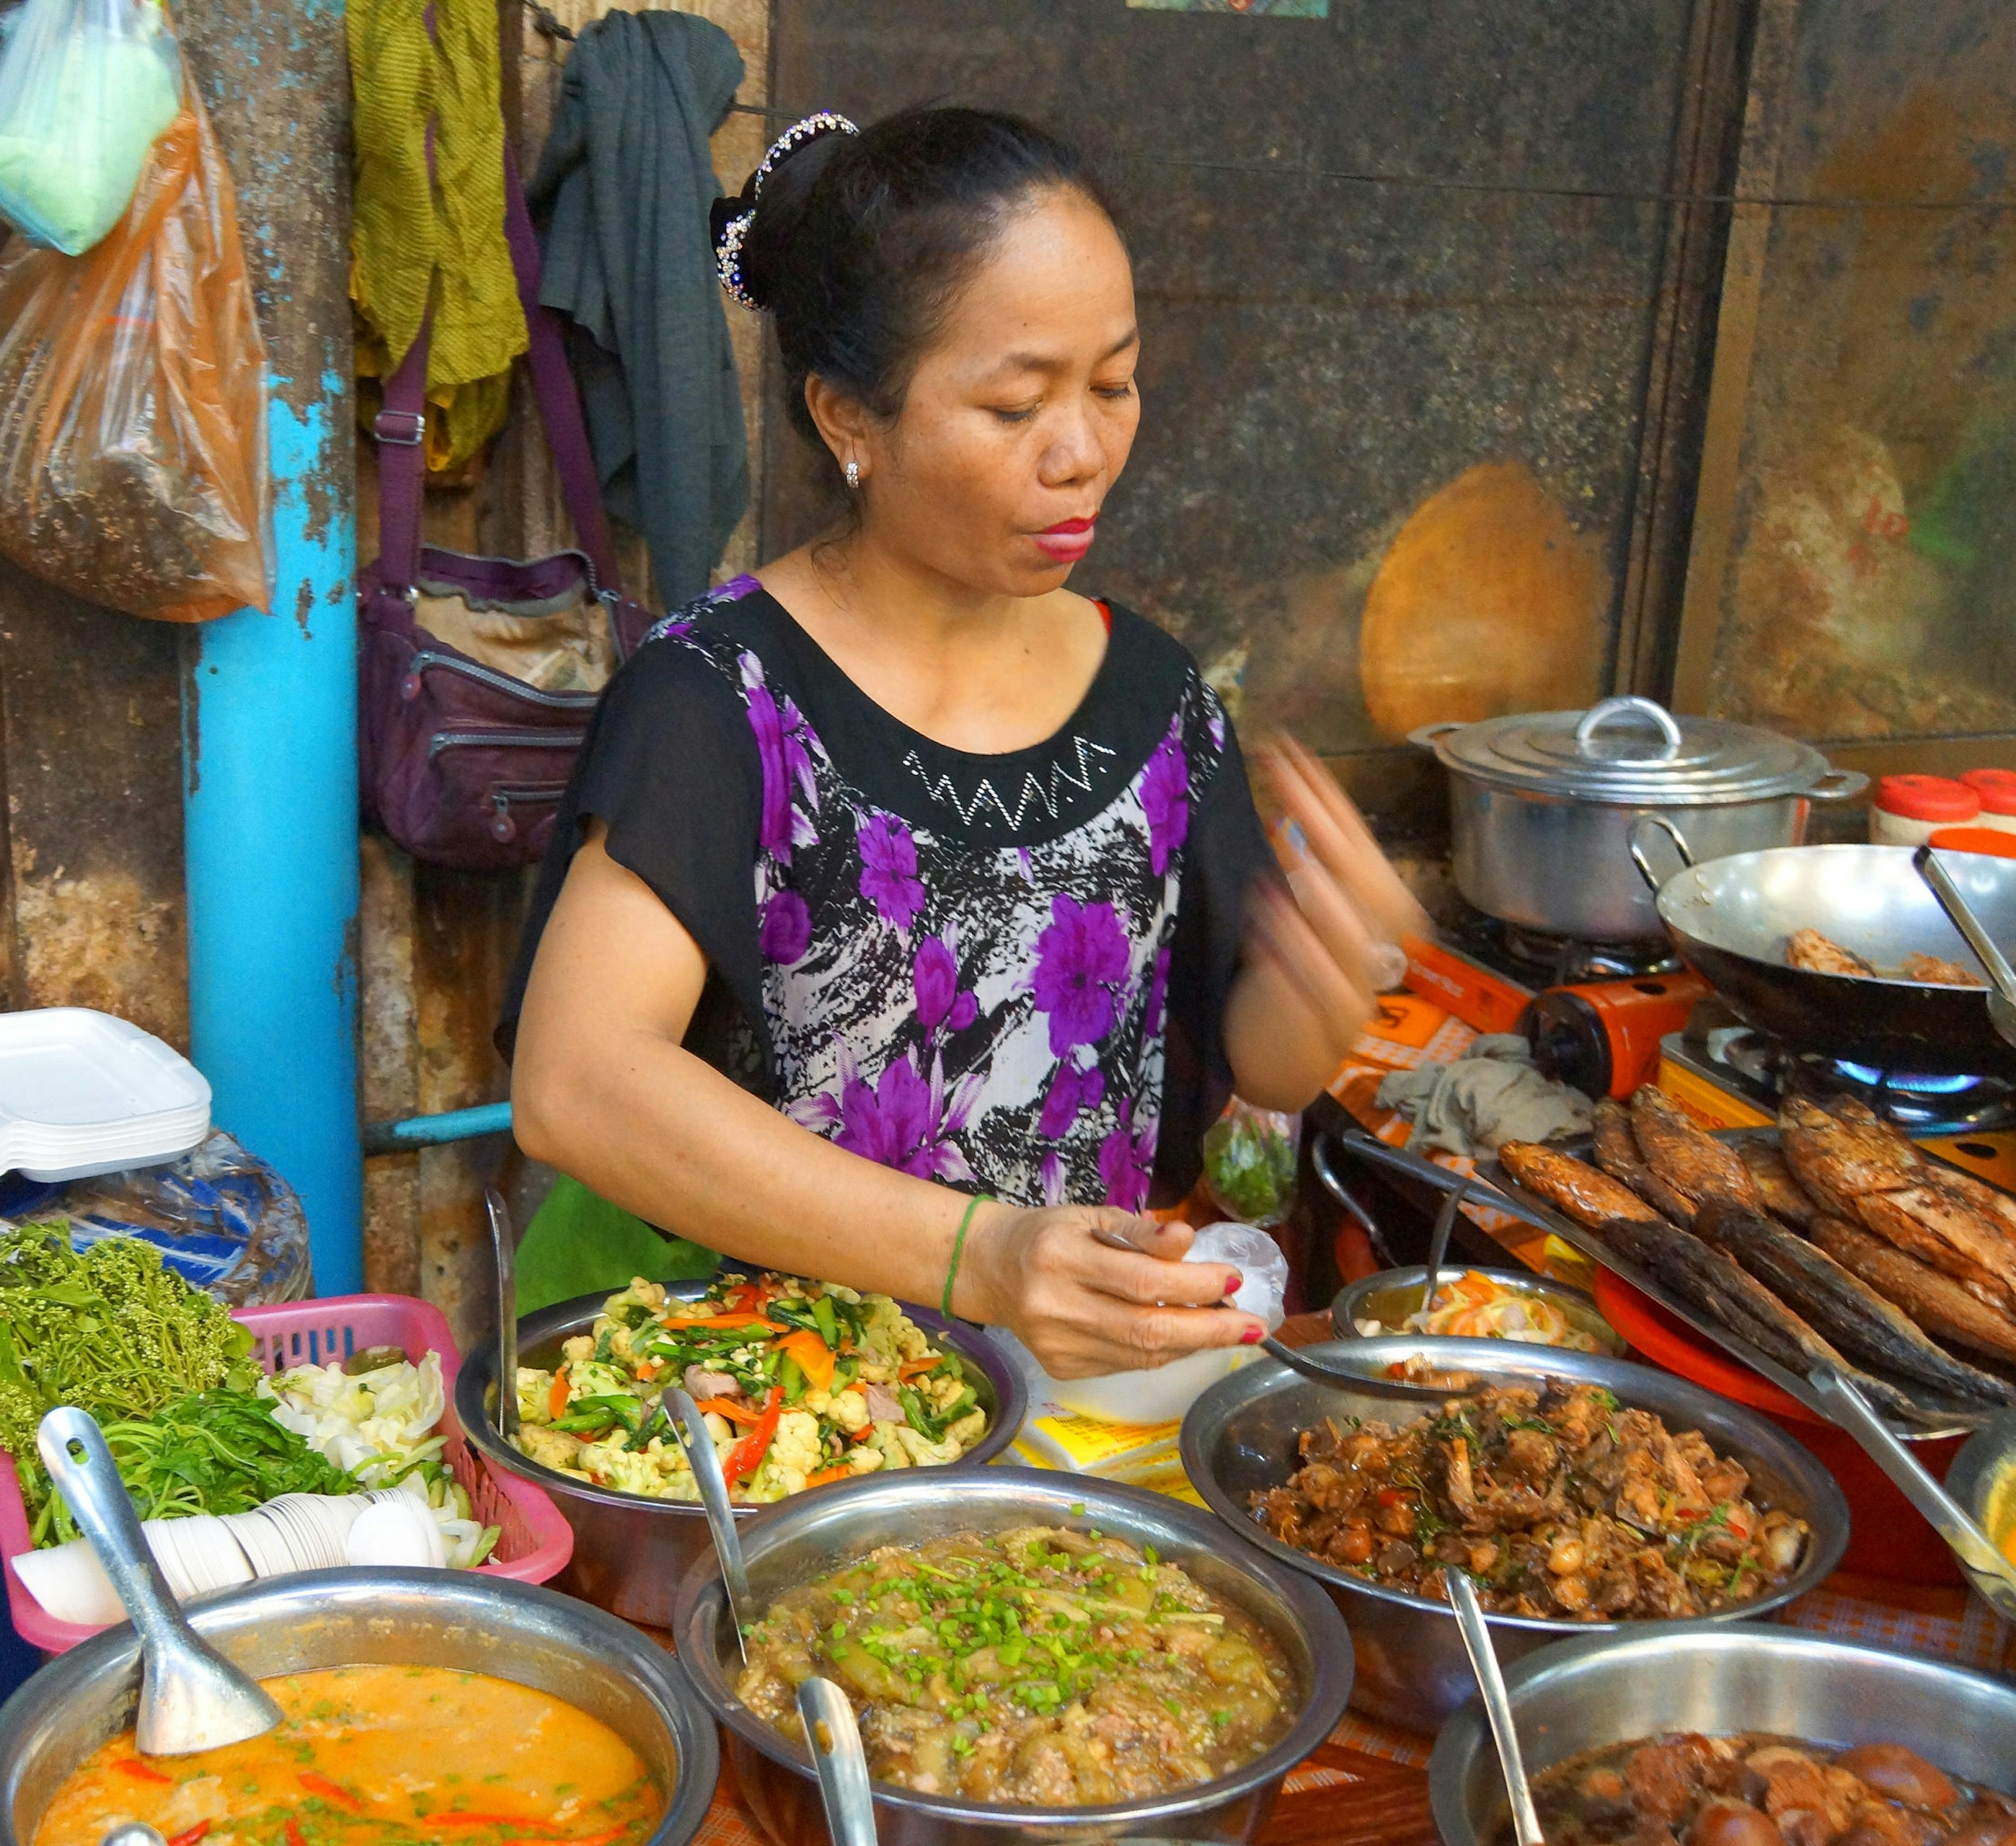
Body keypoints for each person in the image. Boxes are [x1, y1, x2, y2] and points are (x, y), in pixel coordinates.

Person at [502, 106, 1427, 1378]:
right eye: (1014, 407)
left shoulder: (1156, 699)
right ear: (849, 421)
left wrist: (1320, 986)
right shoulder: (724, 697)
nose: (1086, 453)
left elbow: (1237, 1058)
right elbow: (577, 1081)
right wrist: (979, 1257)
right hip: (764, 1419)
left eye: (1114, 383)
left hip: (1060, 1412)